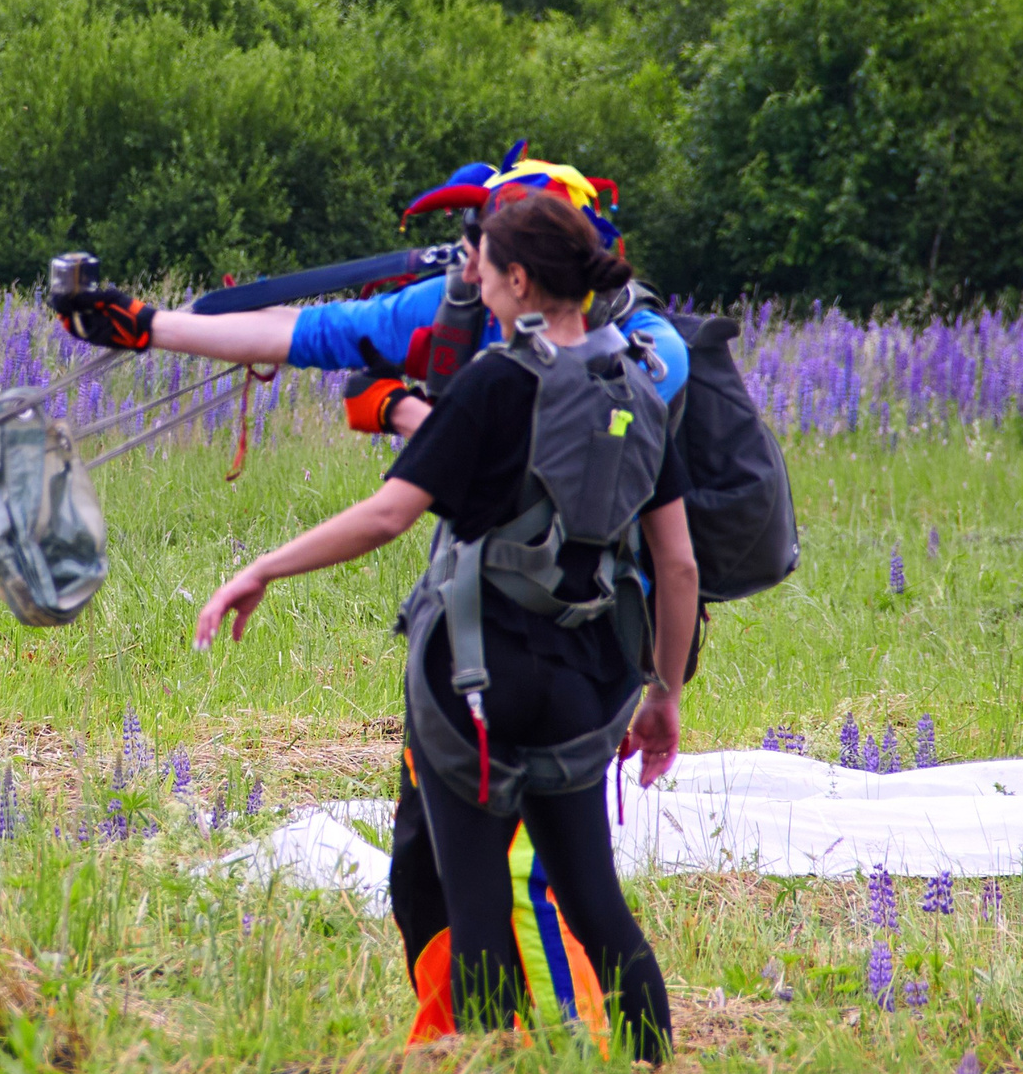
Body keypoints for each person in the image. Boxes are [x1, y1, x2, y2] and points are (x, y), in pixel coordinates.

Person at [54, 152, 694, 991]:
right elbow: (678, 561)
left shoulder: (505, 373)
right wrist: (150, 324)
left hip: (478, 665)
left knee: (478, 896)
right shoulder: (641, 373)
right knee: (589, 898)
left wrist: (394, 427)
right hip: (592, 669)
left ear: (517, 271)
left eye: (482, 253)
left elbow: (394, 509)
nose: (467, 270)